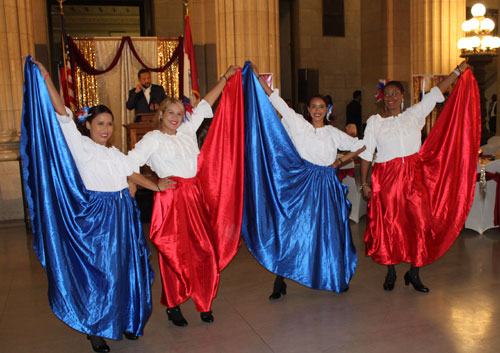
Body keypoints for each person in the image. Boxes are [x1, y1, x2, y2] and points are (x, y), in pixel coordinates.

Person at [29, 59, 173, 353]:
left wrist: (155, 185)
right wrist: (45, 77)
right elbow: (62, 114)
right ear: (89, 125)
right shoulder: (80, 146)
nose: (106, 129)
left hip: (122, 215)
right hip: (99, 217)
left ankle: (124, 320)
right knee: (102, 272)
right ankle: (96, 327)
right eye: (100, 124)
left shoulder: (114, 153)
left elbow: (130, 173)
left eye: (109, 124)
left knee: (124, 269)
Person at [127, 65, 240, 327]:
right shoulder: (153, 139)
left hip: (194, 197)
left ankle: (203, 300)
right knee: (173, 253)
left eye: (179, 113)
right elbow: (128, 165)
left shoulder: (188, 132)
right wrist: (154, 185)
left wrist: (225, 77)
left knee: (203, 250)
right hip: (171, 200)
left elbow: (205, 104)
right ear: (162, 114)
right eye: (171, 113)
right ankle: (174, 304)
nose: (176, 117)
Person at [250, 63, 365, 299]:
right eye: (313, 106)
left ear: (327, 109)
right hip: (302, 183)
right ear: (308, 109)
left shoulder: (333, 133)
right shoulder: (298, 124)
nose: (317, 110)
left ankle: (335, 274)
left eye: (321, 107)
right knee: (292, 228)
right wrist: (257, 76)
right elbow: (275, 100)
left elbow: (360, 145)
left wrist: (338, 163)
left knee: (330, 230)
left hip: (327, 184)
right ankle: (280, 278)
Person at [360, 59, 474, 293]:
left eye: (395, 93)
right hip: (387, 177)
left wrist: (457, 72)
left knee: (419, 223)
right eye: (387, 94)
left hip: (413, 175)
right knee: (390, 226)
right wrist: (364, 182)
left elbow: (435, 93)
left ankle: (414, 272)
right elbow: (366, 152)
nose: (390, 98)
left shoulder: (414, 114)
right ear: (383, 98)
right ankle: (391, 272)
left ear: (402, 96)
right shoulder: (375, 122)